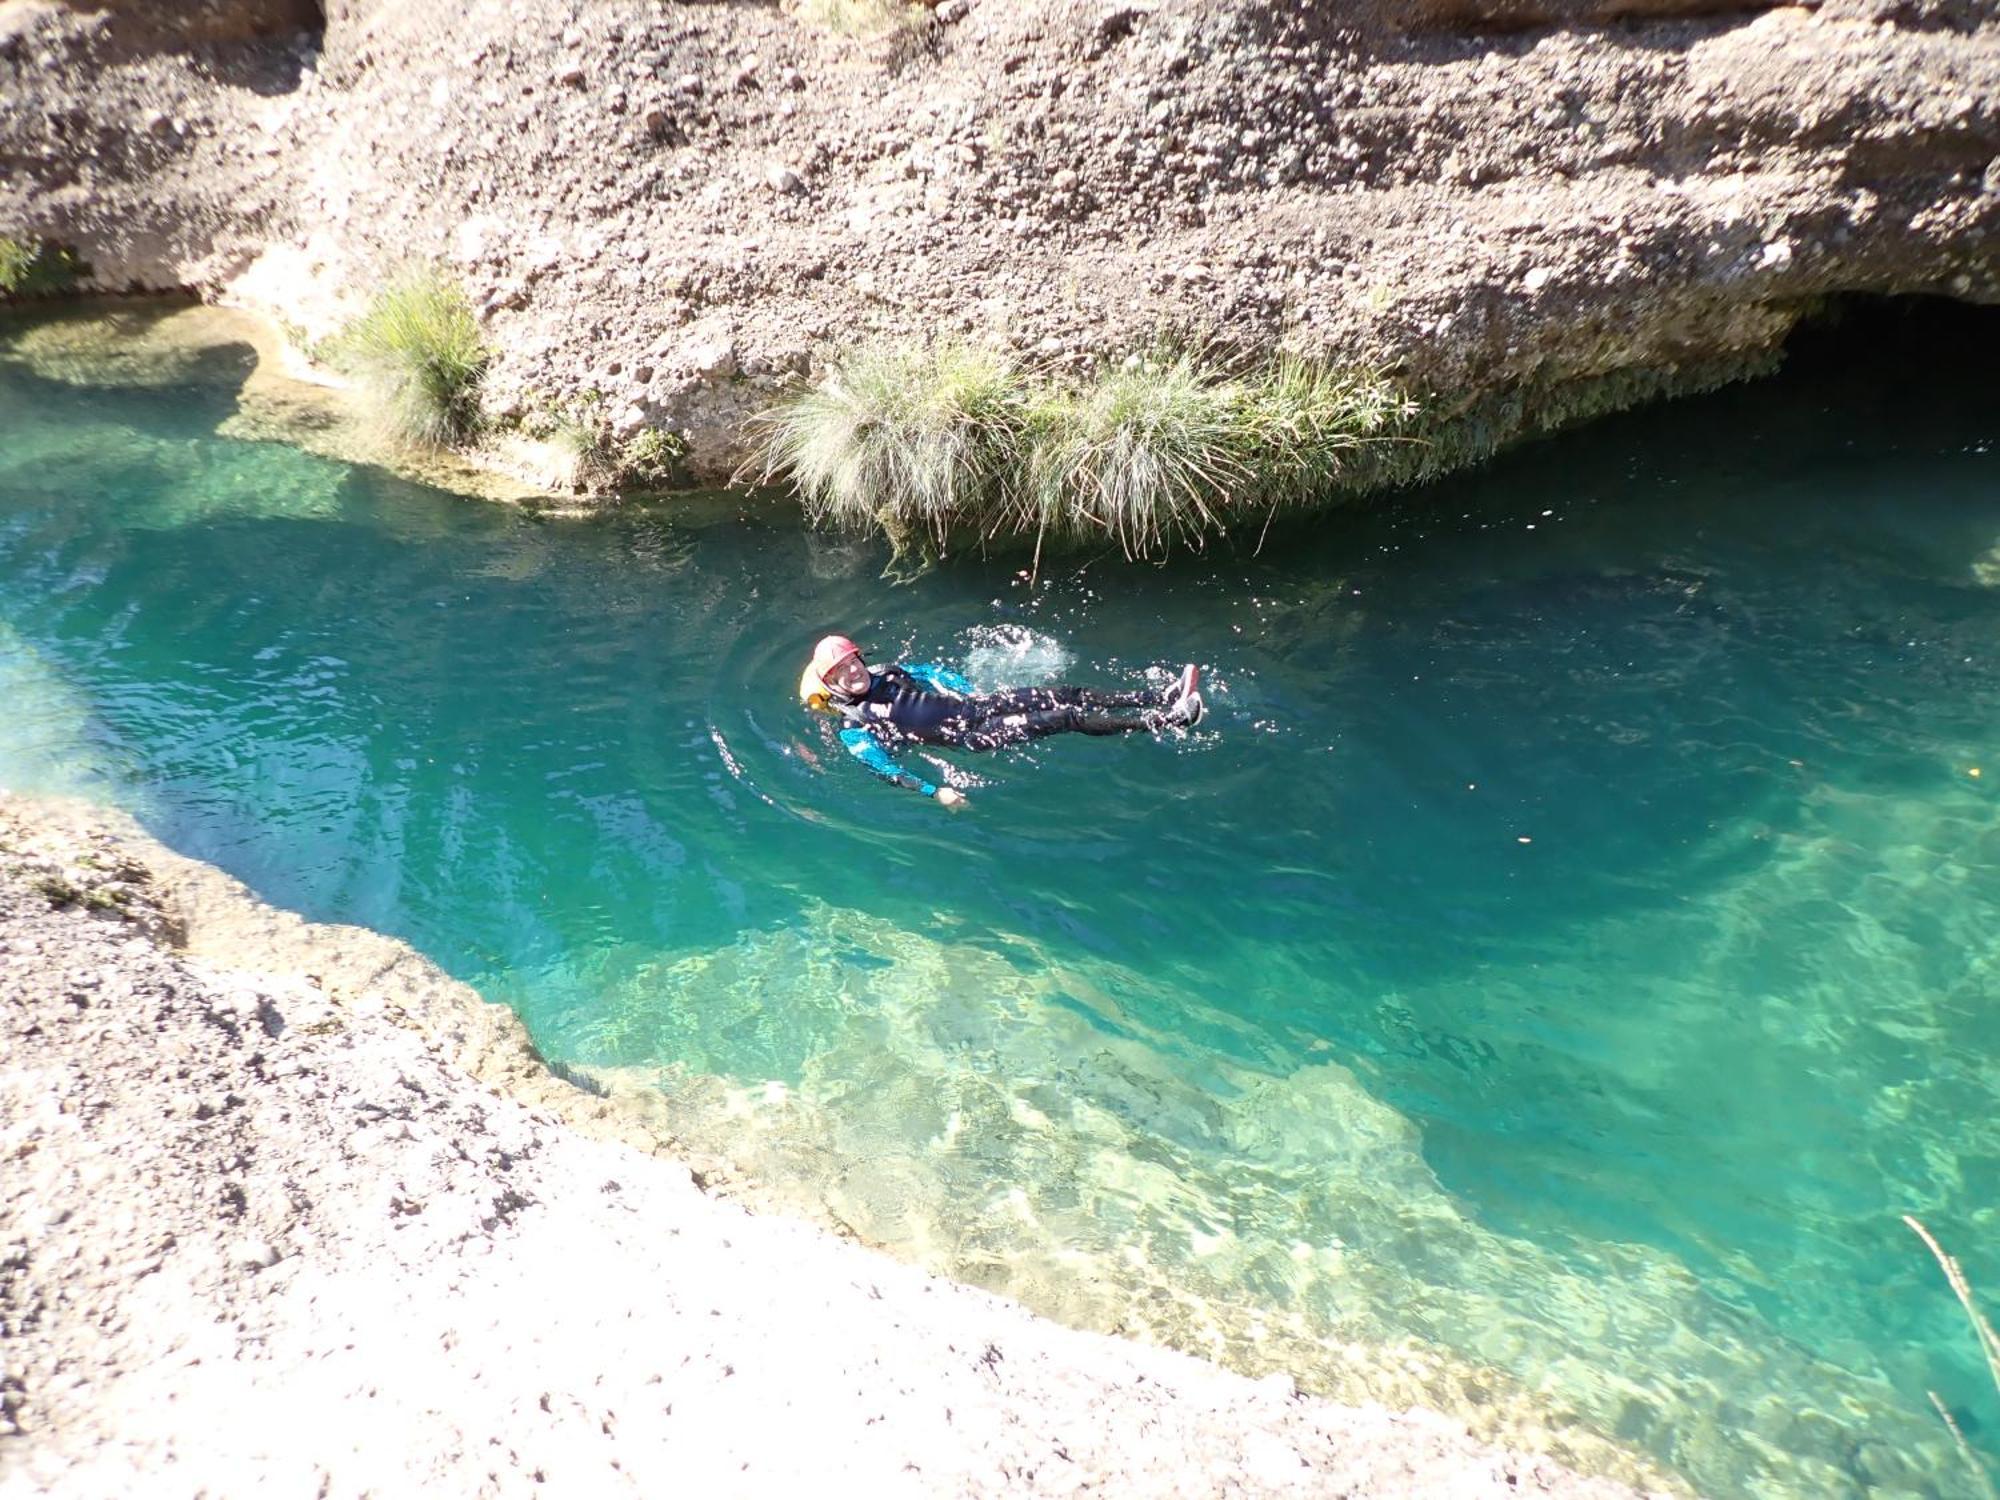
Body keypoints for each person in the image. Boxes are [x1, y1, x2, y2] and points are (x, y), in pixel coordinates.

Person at [798, 634, 1205, 808]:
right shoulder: (854, 728)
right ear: (830, 682)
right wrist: (932, 791)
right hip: (973, 735)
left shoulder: (887, 670)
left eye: (854, 662)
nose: (854, 673)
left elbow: (930, 672)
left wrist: (964, 688)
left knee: (1069, 692)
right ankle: (1168, 721)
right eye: (842, 672)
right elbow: (885, 770)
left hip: (977, 707)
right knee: (1067, 716)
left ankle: (1158, 696)